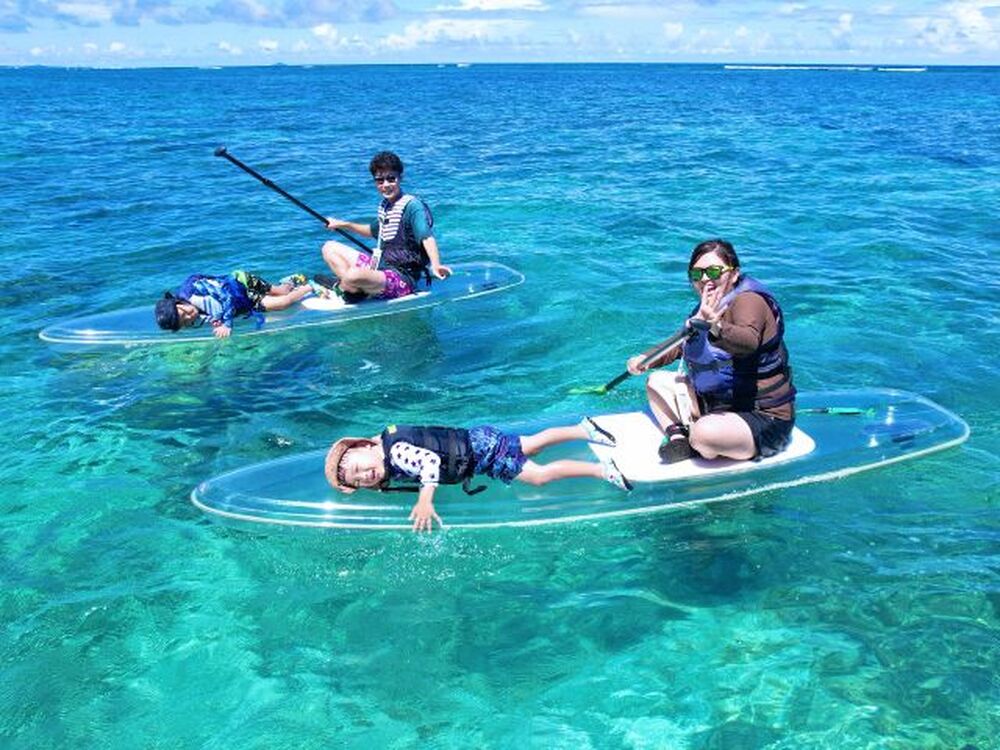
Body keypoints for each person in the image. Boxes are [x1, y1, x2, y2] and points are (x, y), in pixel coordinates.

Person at [626, 239, 795, 463]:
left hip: (762, 417)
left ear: (734, 274)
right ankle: (679, 437)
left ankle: (700, 441)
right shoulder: (706, 307)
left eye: (714, 271)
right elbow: (681, 344)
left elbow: (748, 342)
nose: (705, 279)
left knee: (704, 433)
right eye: (697, 274)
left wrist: (715, 326)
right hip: (716, 406)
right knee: (656, 382)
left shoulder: (750, 302)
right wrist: (646, 359)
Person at [325, 418, 632, 532]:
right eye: (358, 481)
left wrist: (425, 500)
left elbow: (429, 461)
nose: (364, 476)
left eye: (359, 468)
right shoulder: (387, 444)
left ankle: (601, 470)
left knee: (538, 476)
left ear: (365, 445)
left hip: (480, 455)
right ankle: (584, 429)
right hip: (477, 441)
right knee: (532, 444)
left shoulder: (395, 453)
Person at [317, 151, 450, 302]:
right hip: (381, 267)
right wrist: (343, 224)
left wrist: (436, 265)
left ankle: (346, 287)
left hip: (402, 279)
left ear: (400, 178)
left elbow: (426, 237)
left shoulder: (413, 206)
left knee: (353, 274)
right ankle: (353, 289)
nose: (386, 185)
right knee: (329, 247)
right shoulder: (386, 206)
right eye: (380, 181)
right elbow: (371, 231)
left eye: (391, 179)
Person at [154, 270, 312, 338]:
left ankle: (310, 286)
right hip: (241, 303)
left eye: (184, 313)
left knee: (282, 300)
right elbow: (209, 315)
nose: (190, 317)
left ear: (178, 303)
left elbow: (225, 296)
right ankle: (290, 283)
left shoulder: (193, 290)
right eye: (185, 322)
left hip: (241, 284)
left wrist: (227, 324)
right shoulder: (188, 316)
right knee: (279, 295)